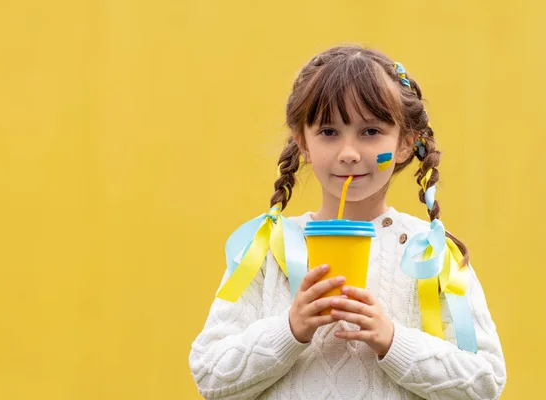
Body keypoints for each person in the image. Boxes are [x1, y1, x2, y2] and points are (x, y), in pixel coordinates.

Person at [189, 44, 507, 399]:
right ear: (302, 144)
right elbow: (210, 375)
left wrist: (392, 340)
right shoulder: (267, 248)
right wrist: (290, 329)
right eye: (328, 131)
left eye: (370, 131)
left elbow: (485, 383)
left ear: (404, 144)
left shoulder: (429, 253)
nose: (349, 153)